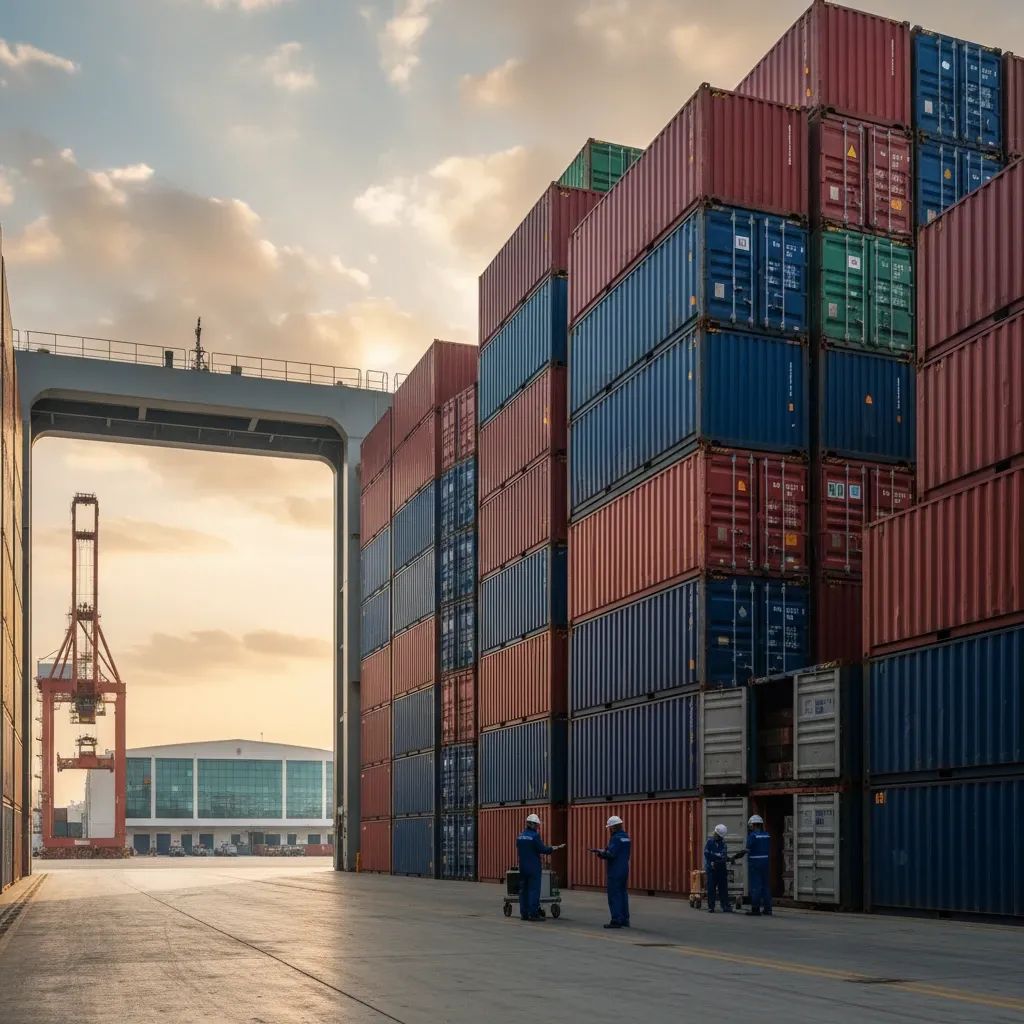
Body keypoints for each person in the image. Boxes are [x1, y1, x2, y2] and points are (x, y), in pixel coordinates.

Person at [590, 815, 632, 929]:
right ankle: (624, 919)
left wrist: (600, 853)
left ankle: (616, 919)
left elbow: (611, 854)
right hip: (624, 869)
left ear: (613, 828)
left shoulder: (616, 838)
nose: (609, 830)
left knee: (614, 894)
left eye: (609, 828)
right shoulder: (626, 837)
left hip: (615, 870)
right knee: (623, 893)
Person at [516, 813, 553, 921]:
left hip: (522, 867)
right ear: (533, 825)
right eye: (537, 825)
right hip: (533, 868)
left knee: (523, 890)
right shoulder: (535, 836)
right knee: (533, 890)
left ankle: (524, 914)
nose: (538, 827)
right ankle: (533, 914)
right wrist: (551, 849)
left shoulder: (520, 836)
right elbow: (543, 849)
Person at [743, 814, 773, 916]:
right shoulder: (767, 835)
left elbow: (747, 850)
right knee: (765, 886)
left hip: (755, 863)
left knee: (756, 886)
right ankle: (768, 909)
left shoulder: (752, 836)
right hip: (765, 863)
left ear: (753, 825)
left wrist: (736, 856)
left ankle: (755, 908)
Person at [703, 823, 732, 913]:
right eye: (715, 834)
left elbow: (723, 856)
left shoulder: (723, 844)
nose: (715, 836)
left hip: (721, 869)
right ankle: (711, 906)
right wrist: (717, 856)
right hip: (711, 869)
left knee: (723, 888)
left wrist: (715, 856)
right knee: (711, 888)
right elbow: (707, 854)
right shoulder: (709, 842)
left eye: (718, 835)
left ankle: (725, 906)